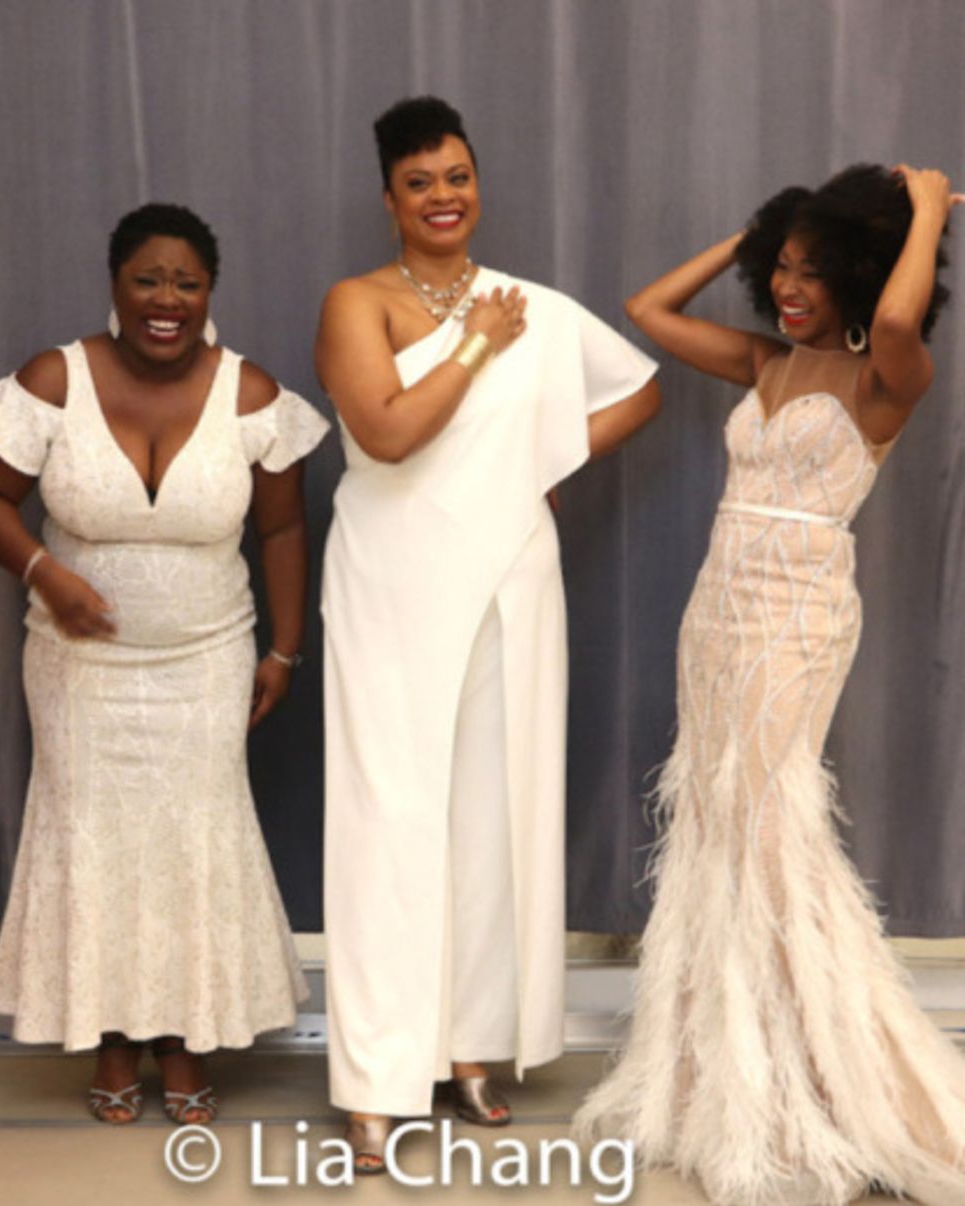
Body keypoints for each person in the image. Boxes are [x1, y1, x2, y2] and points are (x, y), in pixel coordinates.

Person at [574, 165, 965, 1205]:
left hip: (797, 617)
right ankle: (740, 1071)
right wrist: (755, 234)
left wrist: (926, 210)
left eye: (811, 270)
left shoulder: (888, 375)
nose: (787, 289)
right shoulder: (765, 363)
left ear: (861, 273)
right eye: (777, 269)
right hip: (714, 614)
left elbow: (895, 317)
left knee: (770, 827)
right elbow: (648, 310)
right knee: (716, 823)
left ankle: (848, 1081)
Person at [314, 96, 661, 1171]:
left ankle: (470, 1049)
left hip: (510, 572)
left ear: (477, 184)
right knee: (388, 819)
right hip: (390, 580)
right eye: (419, 182)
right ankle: (377, 1078)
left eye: (456, 177)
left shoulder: (534, 308)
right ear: (388, 198)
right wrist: (473, 342)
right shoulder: (358, 303)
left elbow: (641, 390)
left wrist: (536, 461)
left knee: (491, 816)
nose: (442, 196)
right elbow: (386, 431)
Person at [0, 202, 327, 1127]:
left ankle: (184, 1039)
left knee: (190, 842)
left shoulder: (251, 394)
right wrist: (46, 573)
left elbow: (283, 527)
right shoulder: (54, 379)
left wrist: (284, 648)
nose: (167, 300)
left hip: (207, 659)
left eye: (187, 283)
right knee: (96, 841)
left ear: (210, 291)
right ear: (116, 284)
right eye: (148, 280)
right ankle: (113, 1040)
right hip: (78, 666)